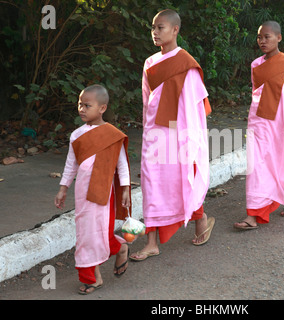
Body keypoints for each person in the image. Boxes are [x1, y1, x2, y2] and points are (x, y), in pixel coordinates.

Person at [130, 9, 214, 261]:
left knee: (183, 178)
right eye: (153, 28)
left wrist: (190, 139)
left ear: (175, 30)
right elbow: (147, 102)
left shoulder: (186, 63)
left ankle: (201, 222)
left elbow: (194, 106)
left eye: (161, 27)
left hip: (179, 133)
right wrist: (148, 131)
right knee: (151, 183)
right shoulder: (149, 62)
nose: (155, 32)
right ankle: (151, 243)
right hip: (155, 132)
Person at [234, 21, 284, 230]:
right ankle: (254, 214)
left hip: (283, 122)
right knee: (258, 165)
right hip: (260, 121)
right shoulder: (256, 64)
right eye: (259, 37)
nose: (262, 41)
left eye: (267, 37)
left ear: (279, 38)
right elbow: (257, 95)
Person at [55, 84, 132, 295]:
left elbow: (122, 165)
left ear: (102, 108)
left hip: (102, 194)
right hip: (82, 192)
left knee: (96, 233)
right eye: (80, 104)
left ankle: (92, 277)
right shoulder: (76, 135)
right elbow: (71, 165)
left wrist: (125, 190)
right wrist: (63, 188)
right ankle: (120, 247)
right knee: (85, 233)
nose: (81, 109)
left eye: (87, 105)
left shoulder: (112, 135)